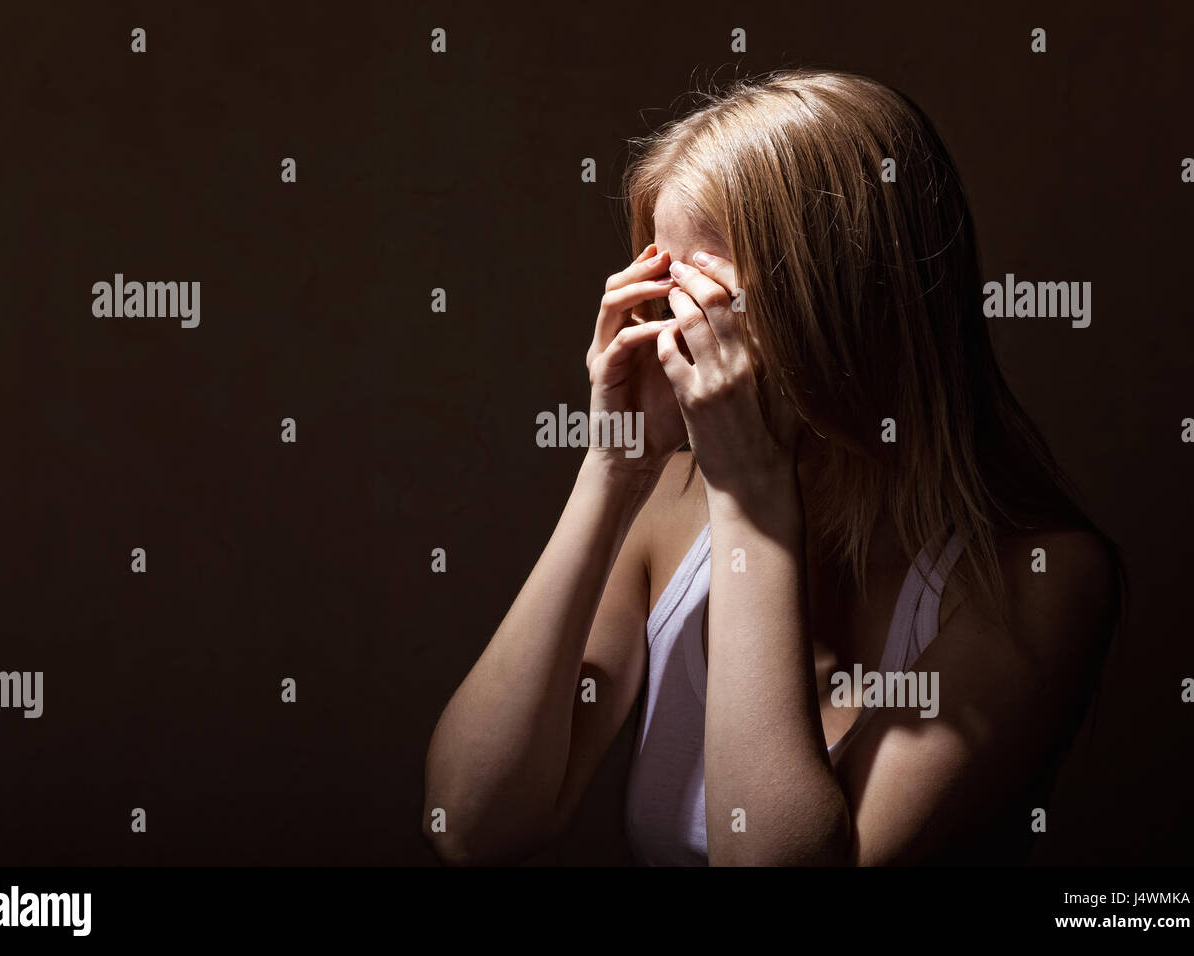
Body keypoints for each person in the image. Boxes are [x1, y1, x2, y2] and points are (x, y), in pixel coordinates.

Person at [422, 69, 1125, 866]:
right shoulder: (673, 510)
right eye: (666, 296)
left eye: (707, 300)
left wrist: (753, 495)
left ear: (842, 304)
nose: (679, 336)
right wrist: (614, 465)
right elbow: (471, 825)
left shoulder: (1038, 579)